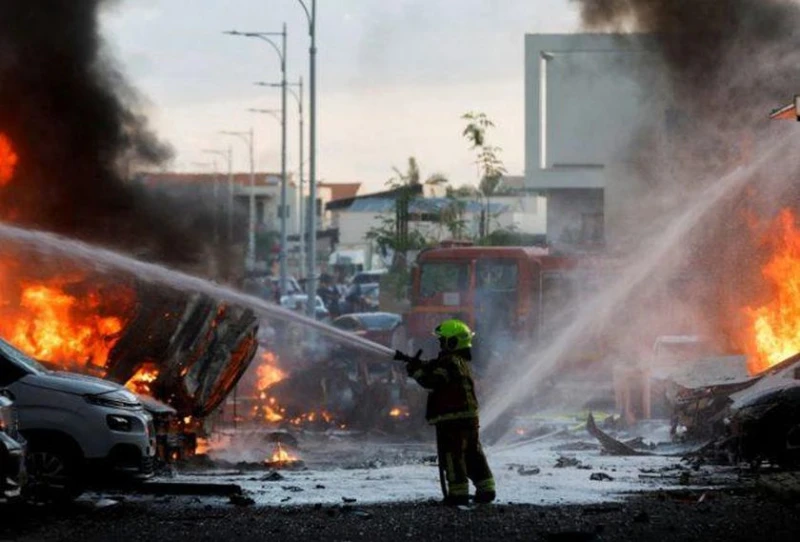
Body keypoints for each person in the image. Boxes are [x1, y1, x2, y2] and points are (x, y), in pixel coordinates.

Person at [394, 319, 495, 506]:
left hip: (452, 419)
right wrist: (416, 363)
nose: (440, 345)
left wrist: (416, 371)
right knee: (473, 454)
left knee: (453, 456)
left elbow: (432, 381)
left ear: (453, 342)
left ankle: (458, 495)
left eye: (442, 341)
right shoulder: (460, 361)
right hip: (468, 417)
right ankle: (486, 489)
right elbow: (435, 366)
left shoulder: (449, 362)